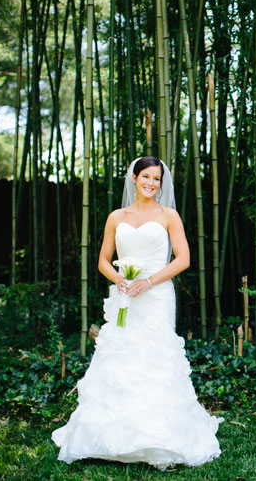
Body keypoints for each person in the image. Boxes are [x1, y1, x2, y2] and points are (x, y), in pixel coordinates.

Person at [52, 156, 223, 469]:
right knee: (120, 356)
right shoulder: (117, 216)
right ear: (133, 178)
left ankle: (159, 436)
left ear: (161, 183)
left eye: (156, 179)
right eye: (145, 176)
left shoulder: (169, 215)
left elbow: (183, 258)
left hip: (156, 295)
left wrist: (147, 282)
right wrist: (119, 278)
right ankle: (112, 436)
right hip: (124, 295)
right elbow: (103, 259)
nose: (151, 183)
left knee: (154, 356)